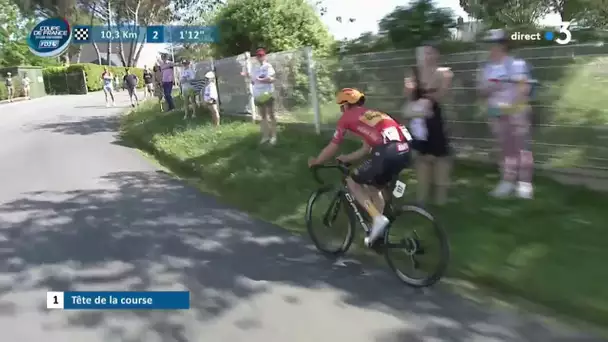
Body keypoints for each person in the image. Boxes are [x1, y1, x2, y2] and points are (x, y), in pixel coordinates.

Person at [308, 88, 412, 246]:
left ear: (345, 105)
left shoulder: (347, 117)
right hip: (404, 151)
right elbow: (366, 149)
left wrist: (317, 161)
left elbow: (333, 145)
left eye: (340, 106)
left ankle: (378, 219)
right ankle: (379, 233)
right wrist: (347, 158)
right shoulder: (373, 115)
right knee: (373, 189)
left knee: (352, 182)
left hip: (386, 152)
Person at [478, 29, 534, 199]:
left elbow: (524, 88)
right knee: (505, 150)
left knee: (521, 149)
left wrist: (511, 108)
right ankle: (507, 182)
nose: (491, 48)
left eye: (495, 44)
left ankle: (525, 184)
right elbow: (480, 90)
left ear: (503, 45)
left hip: (516, 112)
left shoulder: (517, 64)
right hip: (496, 113)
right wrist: (490, 88)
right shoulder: (487, 68)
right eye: (490, 45)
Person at [403, 43, 453, 205]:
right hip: (418, 121)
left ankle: (441, 199)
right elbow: (408, 96)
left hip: (434, 120)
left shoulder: (443, 73)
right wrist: (409, 90)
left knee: (440, 159)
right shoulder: (413, 73)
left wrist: (426, 97)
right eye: (424, 53)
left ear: (437, 55)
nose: (427, 56)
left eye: (431, 53)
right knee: (421, 159)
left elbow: (440, 95)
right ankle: (422, 199)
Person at [251, 48, 277, 145]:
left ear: (265, 56)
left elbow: (271, 79)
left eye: (261, 55)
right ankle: (266, 136)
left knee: (271, 115)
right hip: (258, 94)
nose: (260, 57)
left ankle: (273, 136)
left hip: (267, 94)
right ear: (256, 57)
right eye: (258, 55)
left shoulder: (268, 66)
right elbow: (253, 80)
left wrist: (260, 80)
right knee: (263, 116)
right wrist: (253, 80)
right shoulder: (254, 67)